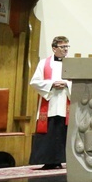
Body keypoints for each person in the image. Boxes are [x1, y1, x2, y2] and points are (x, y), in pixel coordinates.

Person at [29, 36, 72, 170]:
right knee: (49, 131)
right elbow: (35, 82)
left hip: (65, 102)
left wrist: (67, 84)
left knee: (61, 131)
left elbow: (78, 83)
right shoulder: (44, 63)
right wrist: (52, 84)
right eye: (62, 47)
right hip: (50, 103)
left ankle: (59, 160)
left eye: (67, 47)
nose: (65, 50)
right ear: (54, 48)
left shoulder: (72, 64)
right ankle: (47, 161)